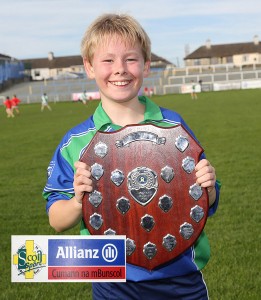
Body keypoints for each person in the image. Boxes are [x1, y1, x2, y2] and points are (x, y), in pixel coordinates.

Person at [43, 13, 221, 300]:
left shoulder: (173, 127)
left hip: (180, 279)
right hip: (111, 280)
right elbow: (57, 220)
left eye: (130, 59)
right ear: (89, 67)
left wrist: (209, 188)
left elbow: (206, 201)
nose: (120, 69)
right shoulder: (75, 142)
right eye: (108, 60)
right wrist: (78, 200)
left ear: (146, 65)